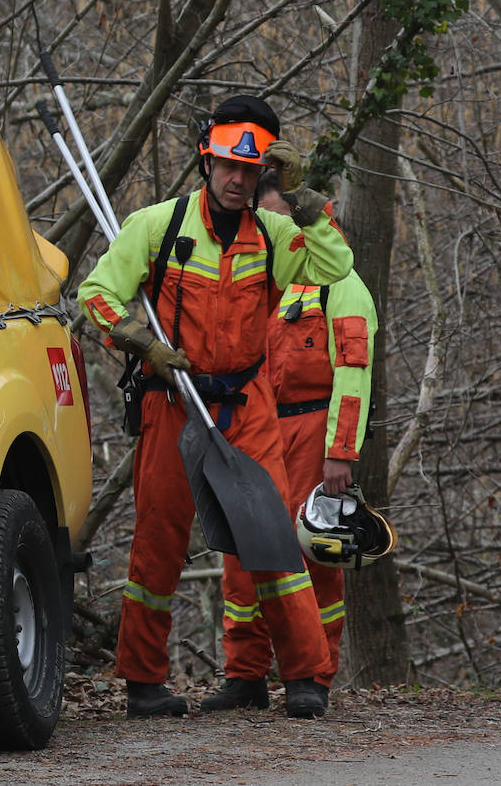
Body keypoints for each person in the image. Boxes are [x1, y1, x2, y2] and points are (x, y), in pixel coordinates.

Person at [77, 95, 351, 719]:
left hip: (249, 403)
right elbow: (95, 295)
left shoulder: (279, 232)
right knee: (159, 541)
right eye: (228, 166)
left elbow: (336, 265)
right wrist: (141, 339)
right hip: (172, 401)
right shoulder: (158, 227)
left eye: (251, 172)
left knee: (271, 537)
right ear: (207, 162)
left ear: (264, 176)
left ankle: (306, 678)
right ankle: (144, 682)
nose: (237, 180)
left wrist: (304, 198)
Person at [200, 173, 377, 712]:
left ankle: (313, 678)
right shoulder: (266, 278)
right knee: (241, 551)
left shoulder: (340, 284)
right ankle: (245, 674)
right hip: (253, 426)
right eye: (267, 221)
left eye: (284, 221)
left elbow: (353, 375)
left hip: (311, 432)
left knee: (312, 551)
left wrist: (339, 453)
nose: (274, 230)